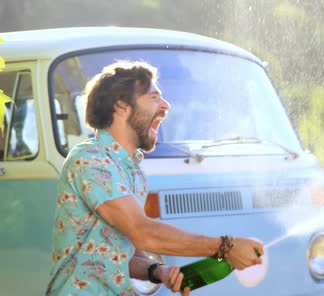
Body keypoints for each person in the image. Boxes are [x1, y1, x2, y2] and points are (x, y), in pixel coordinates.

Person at [45, 61, 264, 295]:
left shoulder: (132, 171)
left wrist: (157, 270)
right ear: (121, 106)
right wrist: (225, 247)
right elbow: (142, 232)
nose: (166, 105)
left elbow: (116, 252)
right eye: (153, 97)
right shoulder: (91, 160)